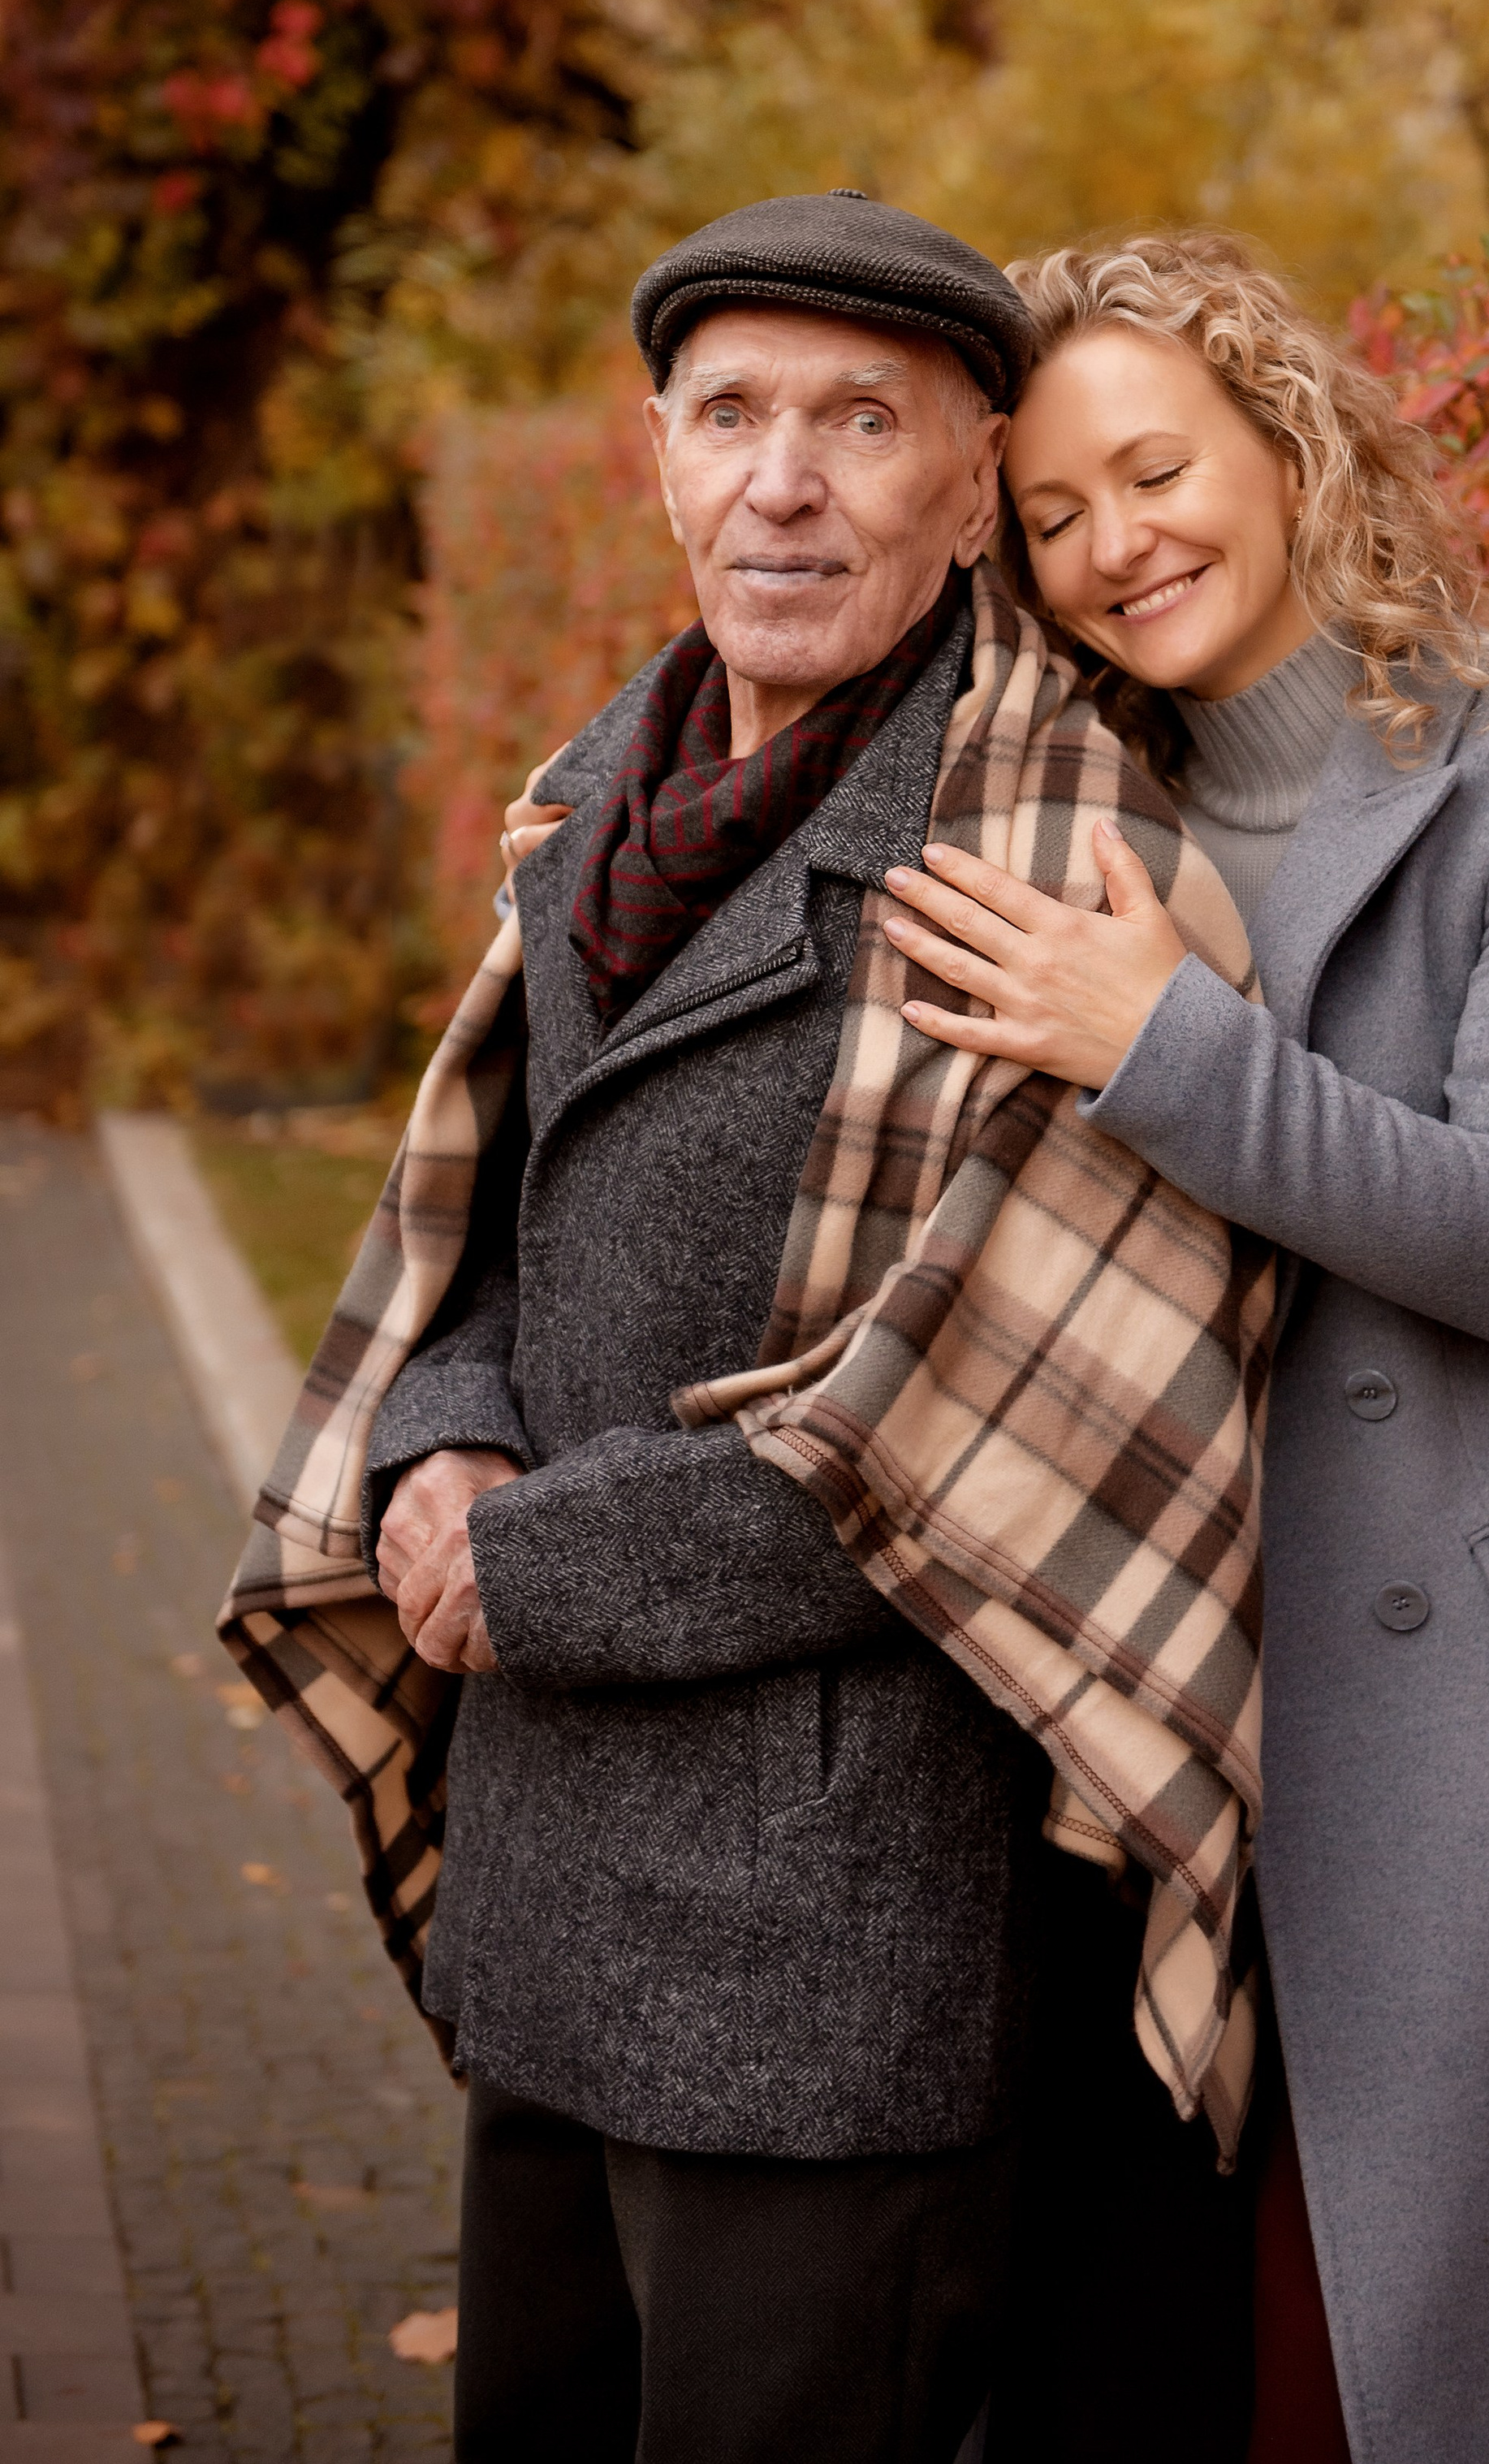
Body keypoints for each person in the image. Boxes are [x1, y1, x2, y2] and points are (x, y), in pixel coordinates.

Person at [218, 197, 1273, 2464]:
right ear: (661, 456)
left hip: (828, 1939)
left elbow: (976, 1419)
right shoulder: (604, 777)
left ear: (975, 476)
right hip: (555, 1884)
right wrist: (445, 1431)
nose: (785, 479)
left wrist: (535, 1563)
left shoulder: (1054, 842)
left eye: (860, 420)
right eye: (735, 417)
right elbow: (480, 1210)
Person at [882, 232, 1489, 2464]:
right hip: (1158, 1668)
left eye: (1156, 468)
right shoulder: (1073, 799)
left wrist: (1159, 1041)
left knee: (1486, 2360)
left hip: (1487, 1669)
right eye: (1055, 516)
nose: (1114, 546)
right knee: (1165, 2334)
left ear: (1288, 442)